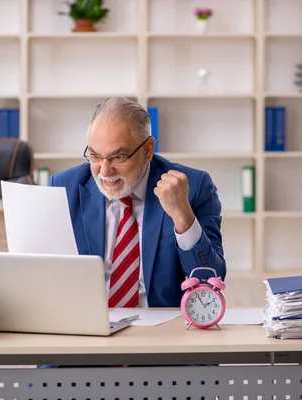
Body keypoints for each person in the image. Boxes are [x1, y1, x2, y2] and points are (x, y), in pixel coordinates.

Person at [49, 97, 226, 308]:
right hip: (88, 326)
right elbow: (44, 274)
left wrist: (183, 217)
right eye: (95, 156)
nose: (104, 171)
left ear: (148, 150)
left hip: (164, 330)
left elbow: (212, 280)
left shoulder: (193, 186)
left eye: (119, 157)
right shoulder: (64, 187)